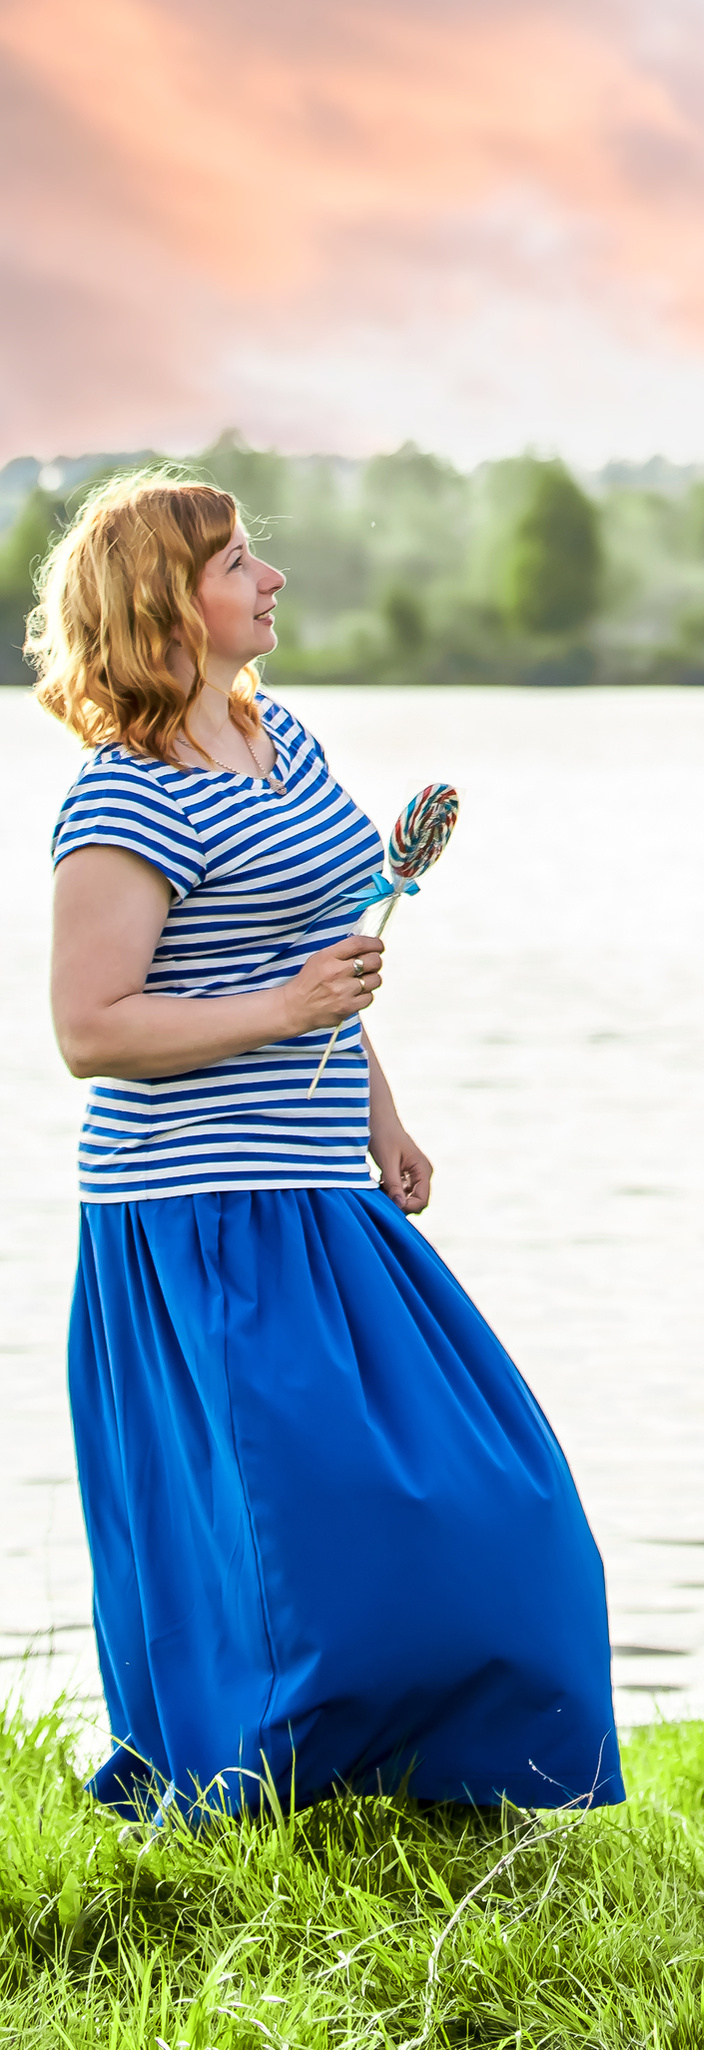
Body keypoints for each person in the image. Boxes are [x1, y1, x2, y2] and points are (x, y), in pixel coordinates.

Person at [31, 470, 622, 1820]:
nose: (271, 578)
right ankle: (269, 1786)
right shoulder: (121, 800)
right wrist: (290, 1008)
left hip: (318, 1187)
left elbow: (320, 958)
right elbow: (89, 1026)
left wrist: (378, 1105)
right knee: (304, 1530)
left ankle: (437, 1772)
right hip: (197, 1212)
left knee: (501, 1494)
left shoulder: (281, 738)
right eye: (240, 561)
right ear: (164, 602)